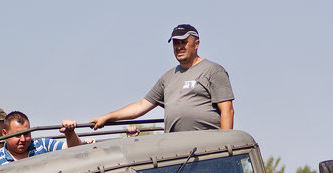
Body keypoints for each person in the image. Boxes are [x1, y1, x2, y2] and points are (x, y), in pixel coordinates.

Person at [89, 24, 234, 133]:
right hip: (179, 153)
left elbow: (227, 110)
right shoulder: (168, 77)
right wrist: (108, 117)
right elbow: (140, 106)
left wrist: (226, 148)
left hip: (209, 151)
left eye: (183, 42)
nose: (179, 47)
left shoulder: (213, 70)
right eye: (176, 43)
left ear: (196, 44)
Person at [0, 111, 83, 168]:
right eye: (17, 135)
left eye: (26, 133)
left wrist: (70, 133)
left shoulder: (43, 145)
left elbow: (74, 151)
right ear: (5, 134)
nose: (23, 139)